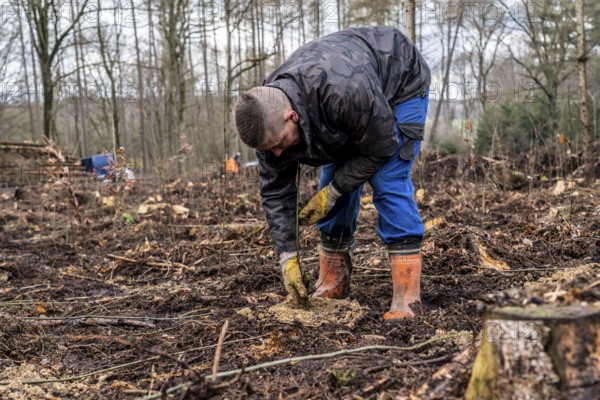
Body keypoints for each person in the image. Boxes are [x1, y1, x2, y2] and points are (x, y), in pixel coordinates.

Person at [233, 27, 430, 322]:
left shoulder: (343, 91)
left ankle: (407, 297)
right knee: (330, 182)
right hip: (348, 106)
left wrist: (337, 191)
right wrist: (287, 257)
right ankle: (333, 284)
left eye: (279, 144)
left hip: (399, 83)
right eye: (268, 150)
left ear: (292, 116)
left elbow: (382, 146)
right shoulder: (264, 114)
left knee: (387, 181)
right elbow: (276, 191)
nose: (277, 154)